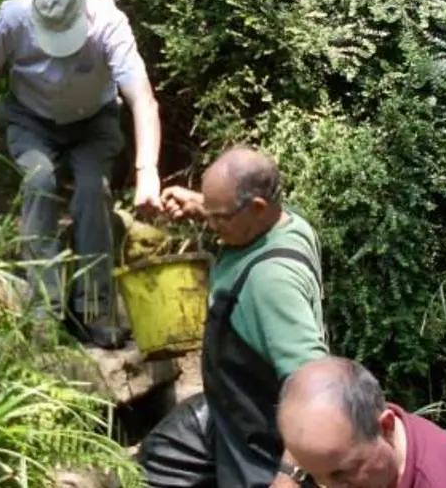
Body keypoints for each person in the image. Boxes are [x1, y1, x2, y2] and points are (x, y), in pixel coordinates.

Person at [0, 0, 163, 349]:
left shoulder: (109, 22)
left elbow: (142, 99)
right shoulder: (14, 16)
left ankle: (94, 310)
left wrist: (147, 171)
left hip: (94, 121)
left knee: (93, 192)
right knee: (39, 181)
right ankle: (44, 312)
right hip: (31, 118)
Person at [137, 146, 327, 487]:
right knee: (161, 457)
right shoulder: (289, 225)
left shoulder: (271, 283)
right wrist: (202, 206)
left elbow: (314, 384)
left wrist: (291, 475)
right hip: (227, 408)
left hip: (264, 436)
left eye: (218, 216)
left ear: (256, 208)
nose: (211, 224)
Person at [277, 357, 446, 488]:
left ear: (385, 426)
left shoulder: (445, 481)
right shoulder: (372, 438)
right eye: (314, 476)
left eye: (342, 473)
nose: (329, 487)